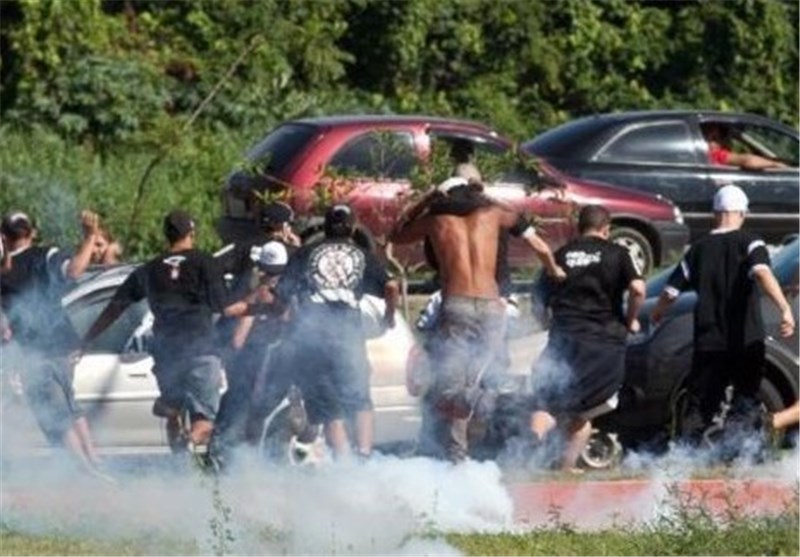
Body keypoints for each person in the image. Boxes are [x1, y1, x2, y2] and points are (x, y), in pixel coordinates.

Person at [81, 210, 249, 457]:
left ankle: (177, 461)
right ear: (192, 233)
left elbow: (114, 308)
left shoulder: (148, 270)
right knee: (204, 420)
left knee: (176, 413)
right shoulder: (205, 261)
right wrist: (257, 304)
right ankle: (191, 444)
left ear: (166, 236)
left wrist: (86, 339)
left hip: (167, 353)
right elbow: (223, 307)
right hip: (200, 349)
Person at [390, 176, 526, 462]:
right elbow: (521, 217)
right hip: (492, 305)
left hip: (457, 304)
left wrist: (426, 198)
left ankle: (459, 447)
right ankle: (461, 451)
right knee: (475, 380)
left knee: (452, 387)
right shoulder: (493, 213)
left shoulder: (436, 219)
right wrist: (486, 193)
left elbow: (396, 232)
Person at [651, 185, 795, 454]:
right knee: (746, 401)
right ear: (741, 213)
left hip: (709, 342)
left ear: (715, 213)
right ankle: (743, 457)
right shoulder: (751, 242)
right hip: (746, 340)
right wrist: (784, 308)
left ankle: (684, 460)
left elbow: (670, 292)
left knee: (700, 405)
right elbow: (763, 273)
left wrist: (657, 313)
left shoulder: (698, 250)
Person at [528, 205, 645, 472]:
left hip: (563, 341)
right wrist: (631, 319)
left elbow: (537, 299)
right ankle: (566, 469)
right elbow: (638, 289)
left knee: (546, 404)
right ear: (607, 228)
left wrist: (546, 322)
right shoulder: (619, 253)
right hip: (603, 345)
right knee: (584, 411)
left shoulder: (561, 254)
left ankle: (528, 454)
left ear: (579, 227)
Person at [0, 210, 109, 480]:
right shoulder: (45, 255)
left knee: (56, 416)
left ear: (4, 236)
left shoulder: (3, 271)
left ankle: (85, 472)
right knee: (70, 405)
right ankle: (93, 459)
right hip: (63, 344)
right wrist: (89, 237)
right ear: (32, 233)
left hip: (35, 353)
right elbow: (74, 270)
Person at [210, 240, 290, 467]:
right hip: (267, 364)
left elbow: (238, 338)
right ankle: (245, 461)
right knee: (252, 413)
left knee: (247, 414)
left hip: (261, 363)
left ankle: (239, 461)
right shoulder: (273, 290)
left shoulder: (264, 291)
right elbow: (238, 337)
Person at [701, 122, 788, 170]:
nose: (726, 141)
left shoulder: (702, 157)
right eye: (714, 138)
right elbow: (747, 160)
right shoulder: (715, 154)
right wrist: (775, 164)